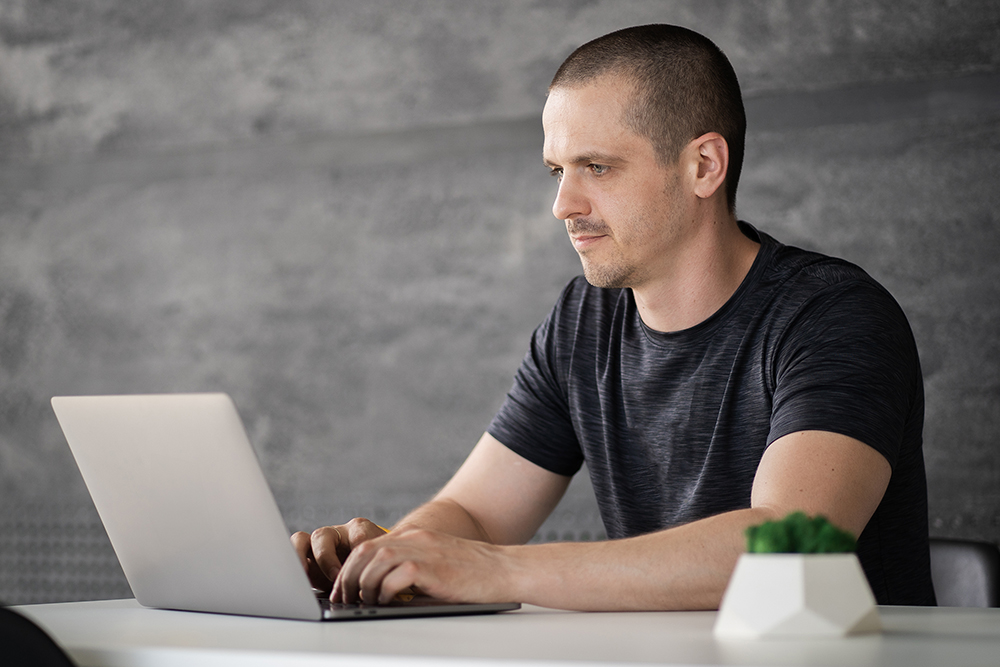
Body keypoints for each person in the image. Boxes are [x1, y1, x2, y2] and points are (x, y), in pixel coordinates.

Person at [292, 24, 935, 610]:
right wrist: (395, 558)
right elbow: (476, 514)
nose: (563, 205)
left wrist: (501, 572)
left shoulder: (833, 315)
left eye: (597, 167)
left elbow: (793, 544)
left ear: (703, 166)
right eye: (557, 170)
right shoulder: (584, 322)